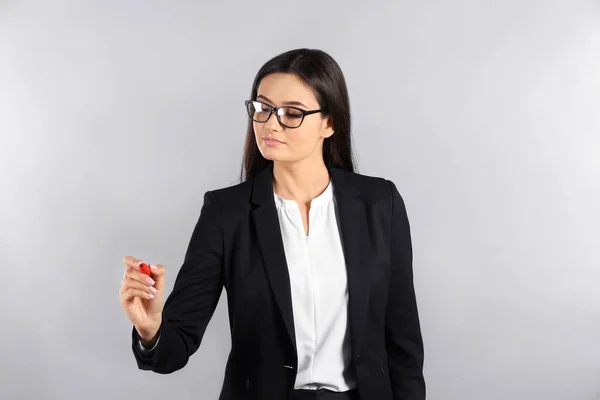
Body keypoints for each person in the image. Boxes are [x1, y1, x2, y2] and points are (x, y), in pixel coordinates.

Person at [119, 48, 425, 400]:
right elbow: (174, 349)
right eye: (262, 108)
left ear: (329, 123)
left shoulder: (379, 203)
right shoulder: (226, 212)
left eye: (291, 113)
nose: (270, 124)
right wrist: (151, 329)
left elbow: (404, 345)